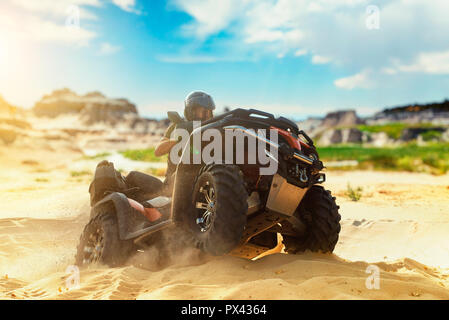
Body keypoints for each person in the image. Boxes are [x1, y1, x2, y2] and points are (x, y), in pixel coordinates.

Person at [125, 91, 216, 198]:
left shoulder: (214, 130)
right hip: (171, 186)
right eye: (203, 111)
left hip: (202, 184)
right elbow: (158, 151)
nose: (207, 115)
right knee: (132, 176)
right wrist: (177, 139)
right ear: (191, 111)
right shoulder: (177, 128)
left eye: (209, 112)